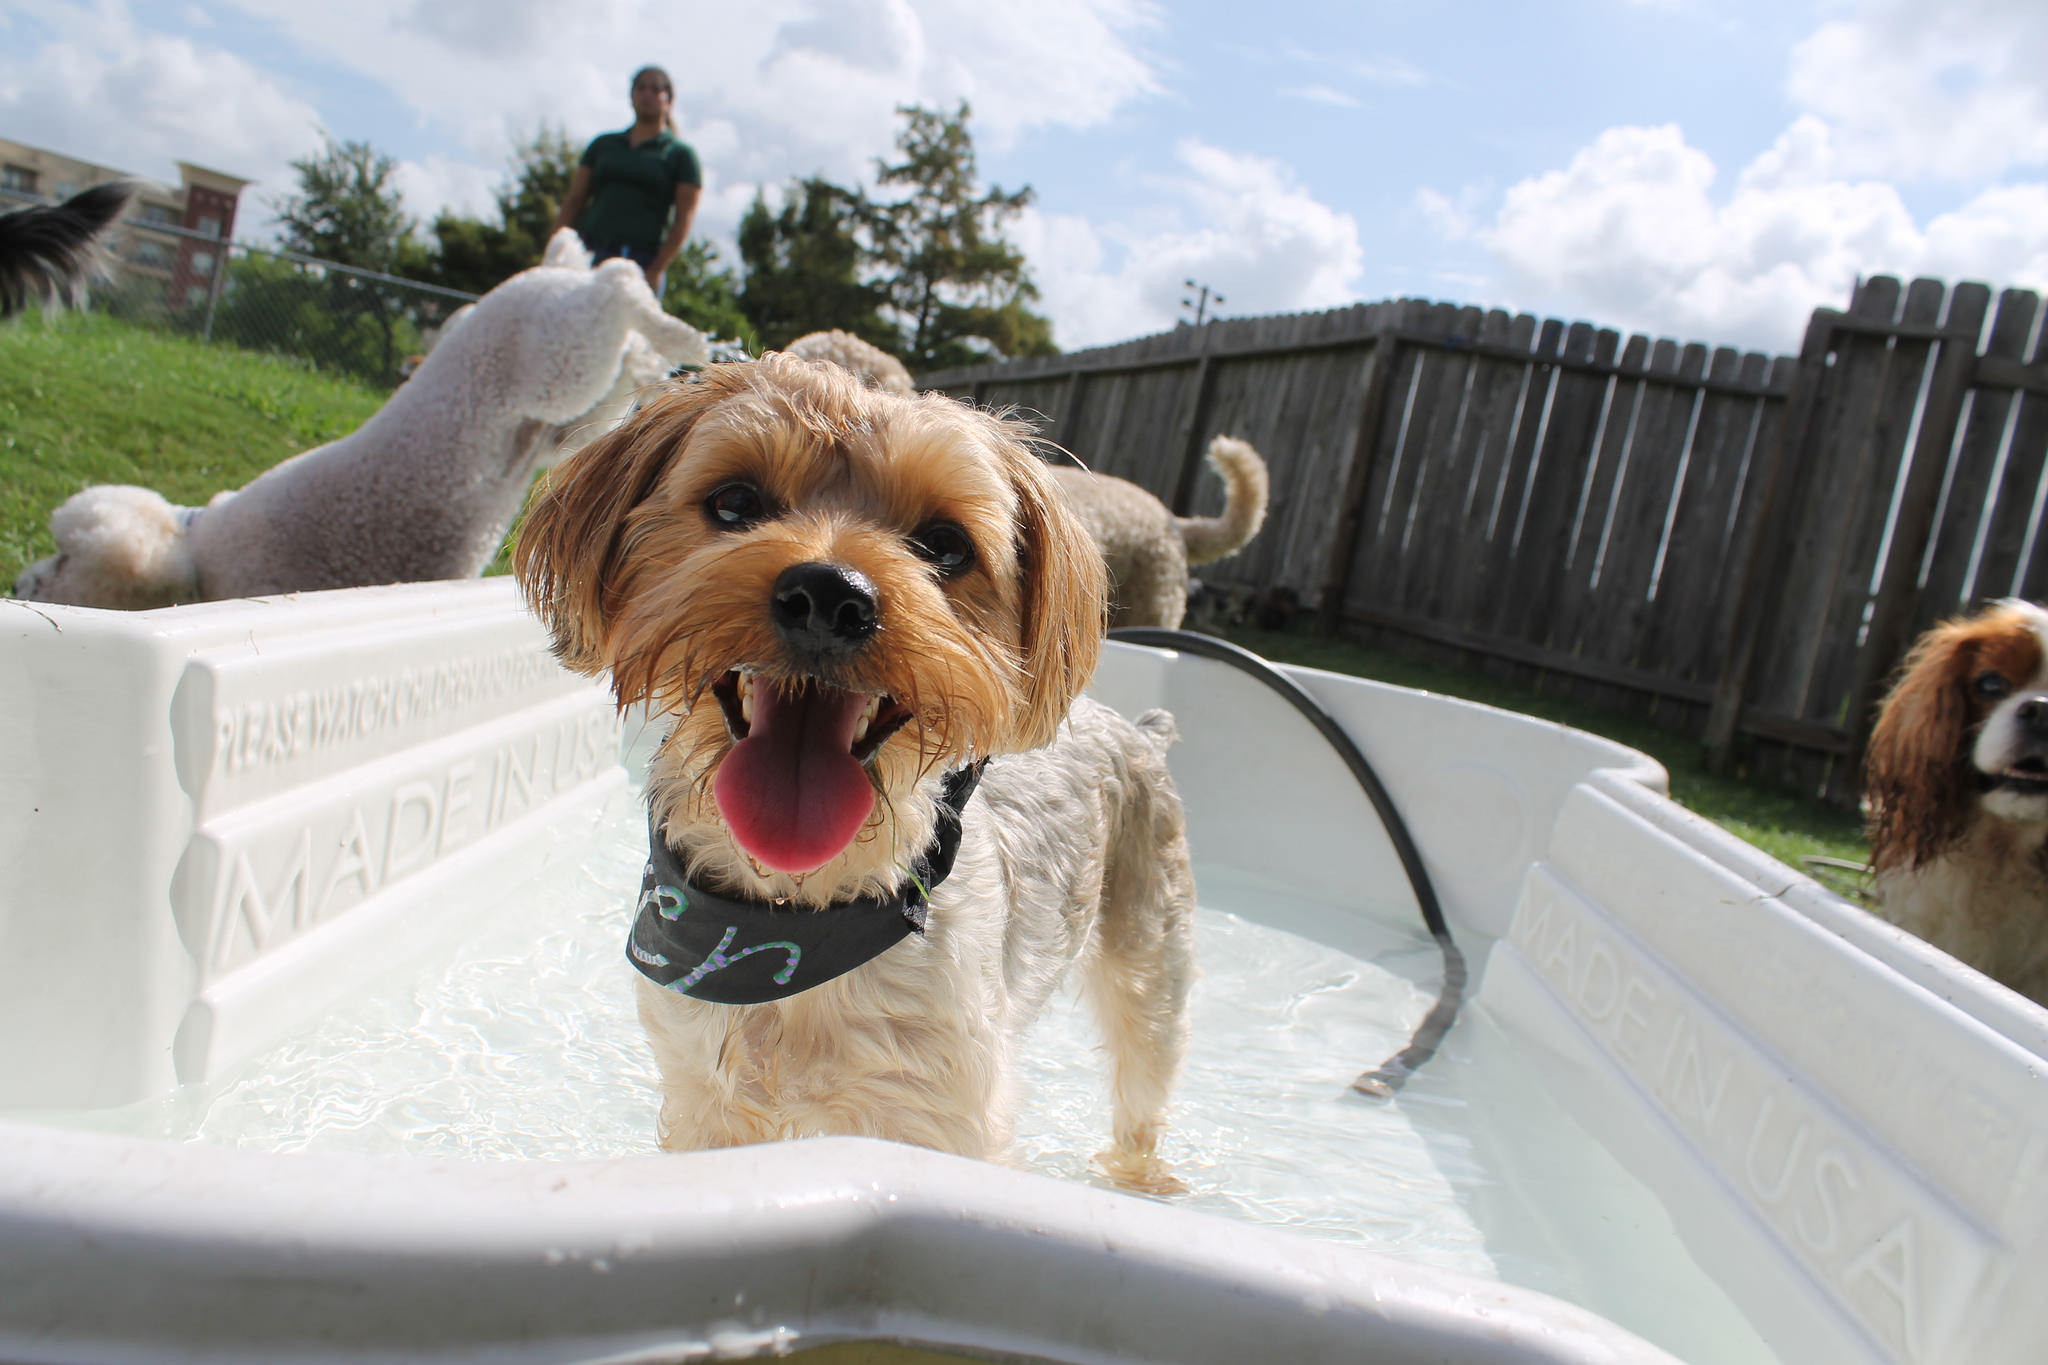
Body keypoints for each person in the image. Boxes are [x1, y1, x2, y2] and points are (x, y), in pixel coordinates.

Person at [553, 65, 701, 299]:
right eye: (640, 87)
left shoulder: (680, 155)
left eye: (655, 89)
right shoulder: (603, 145)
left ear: (669, 100)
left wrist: (657, 268)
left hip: (640, 260)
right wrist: (555, 249)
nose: (647, 94)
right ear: (631, 96)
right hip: (589, 253)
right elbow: (574, 200)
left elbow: (684, 220)